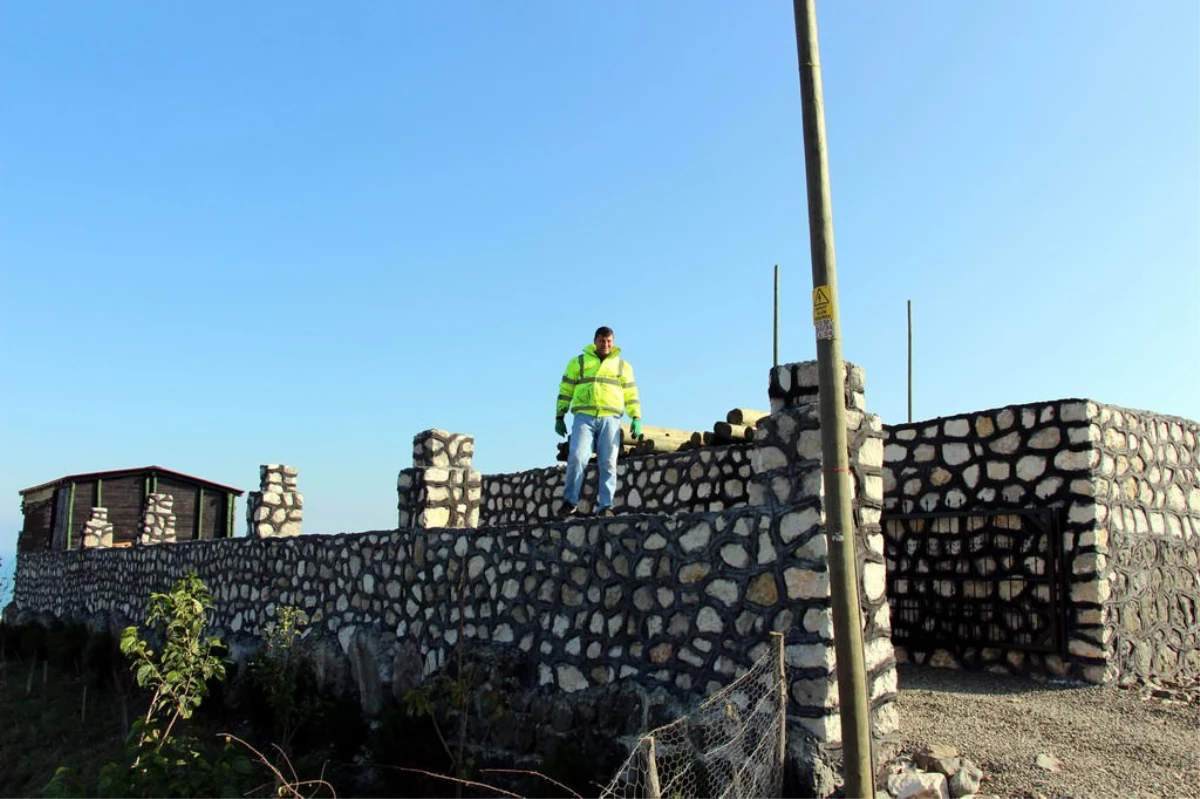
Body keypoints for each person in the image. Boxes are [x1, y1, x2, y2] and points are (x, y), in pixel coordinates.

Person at [555, 326, 642, 517]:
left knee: (608, 462)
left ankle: (606, 506)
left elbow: (631, 393)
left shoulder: (622, 366)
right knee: (577, 457)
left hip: (610, 417)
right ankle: (570, 502)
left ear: (614, 342)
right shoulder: (578, 362)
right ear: (595, 341)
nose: (606, 344)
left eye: (609, 341)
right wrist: (559, 415)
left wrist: (636, 416)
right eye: (602, 341)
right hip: (584, 417)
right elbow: (566, 389)